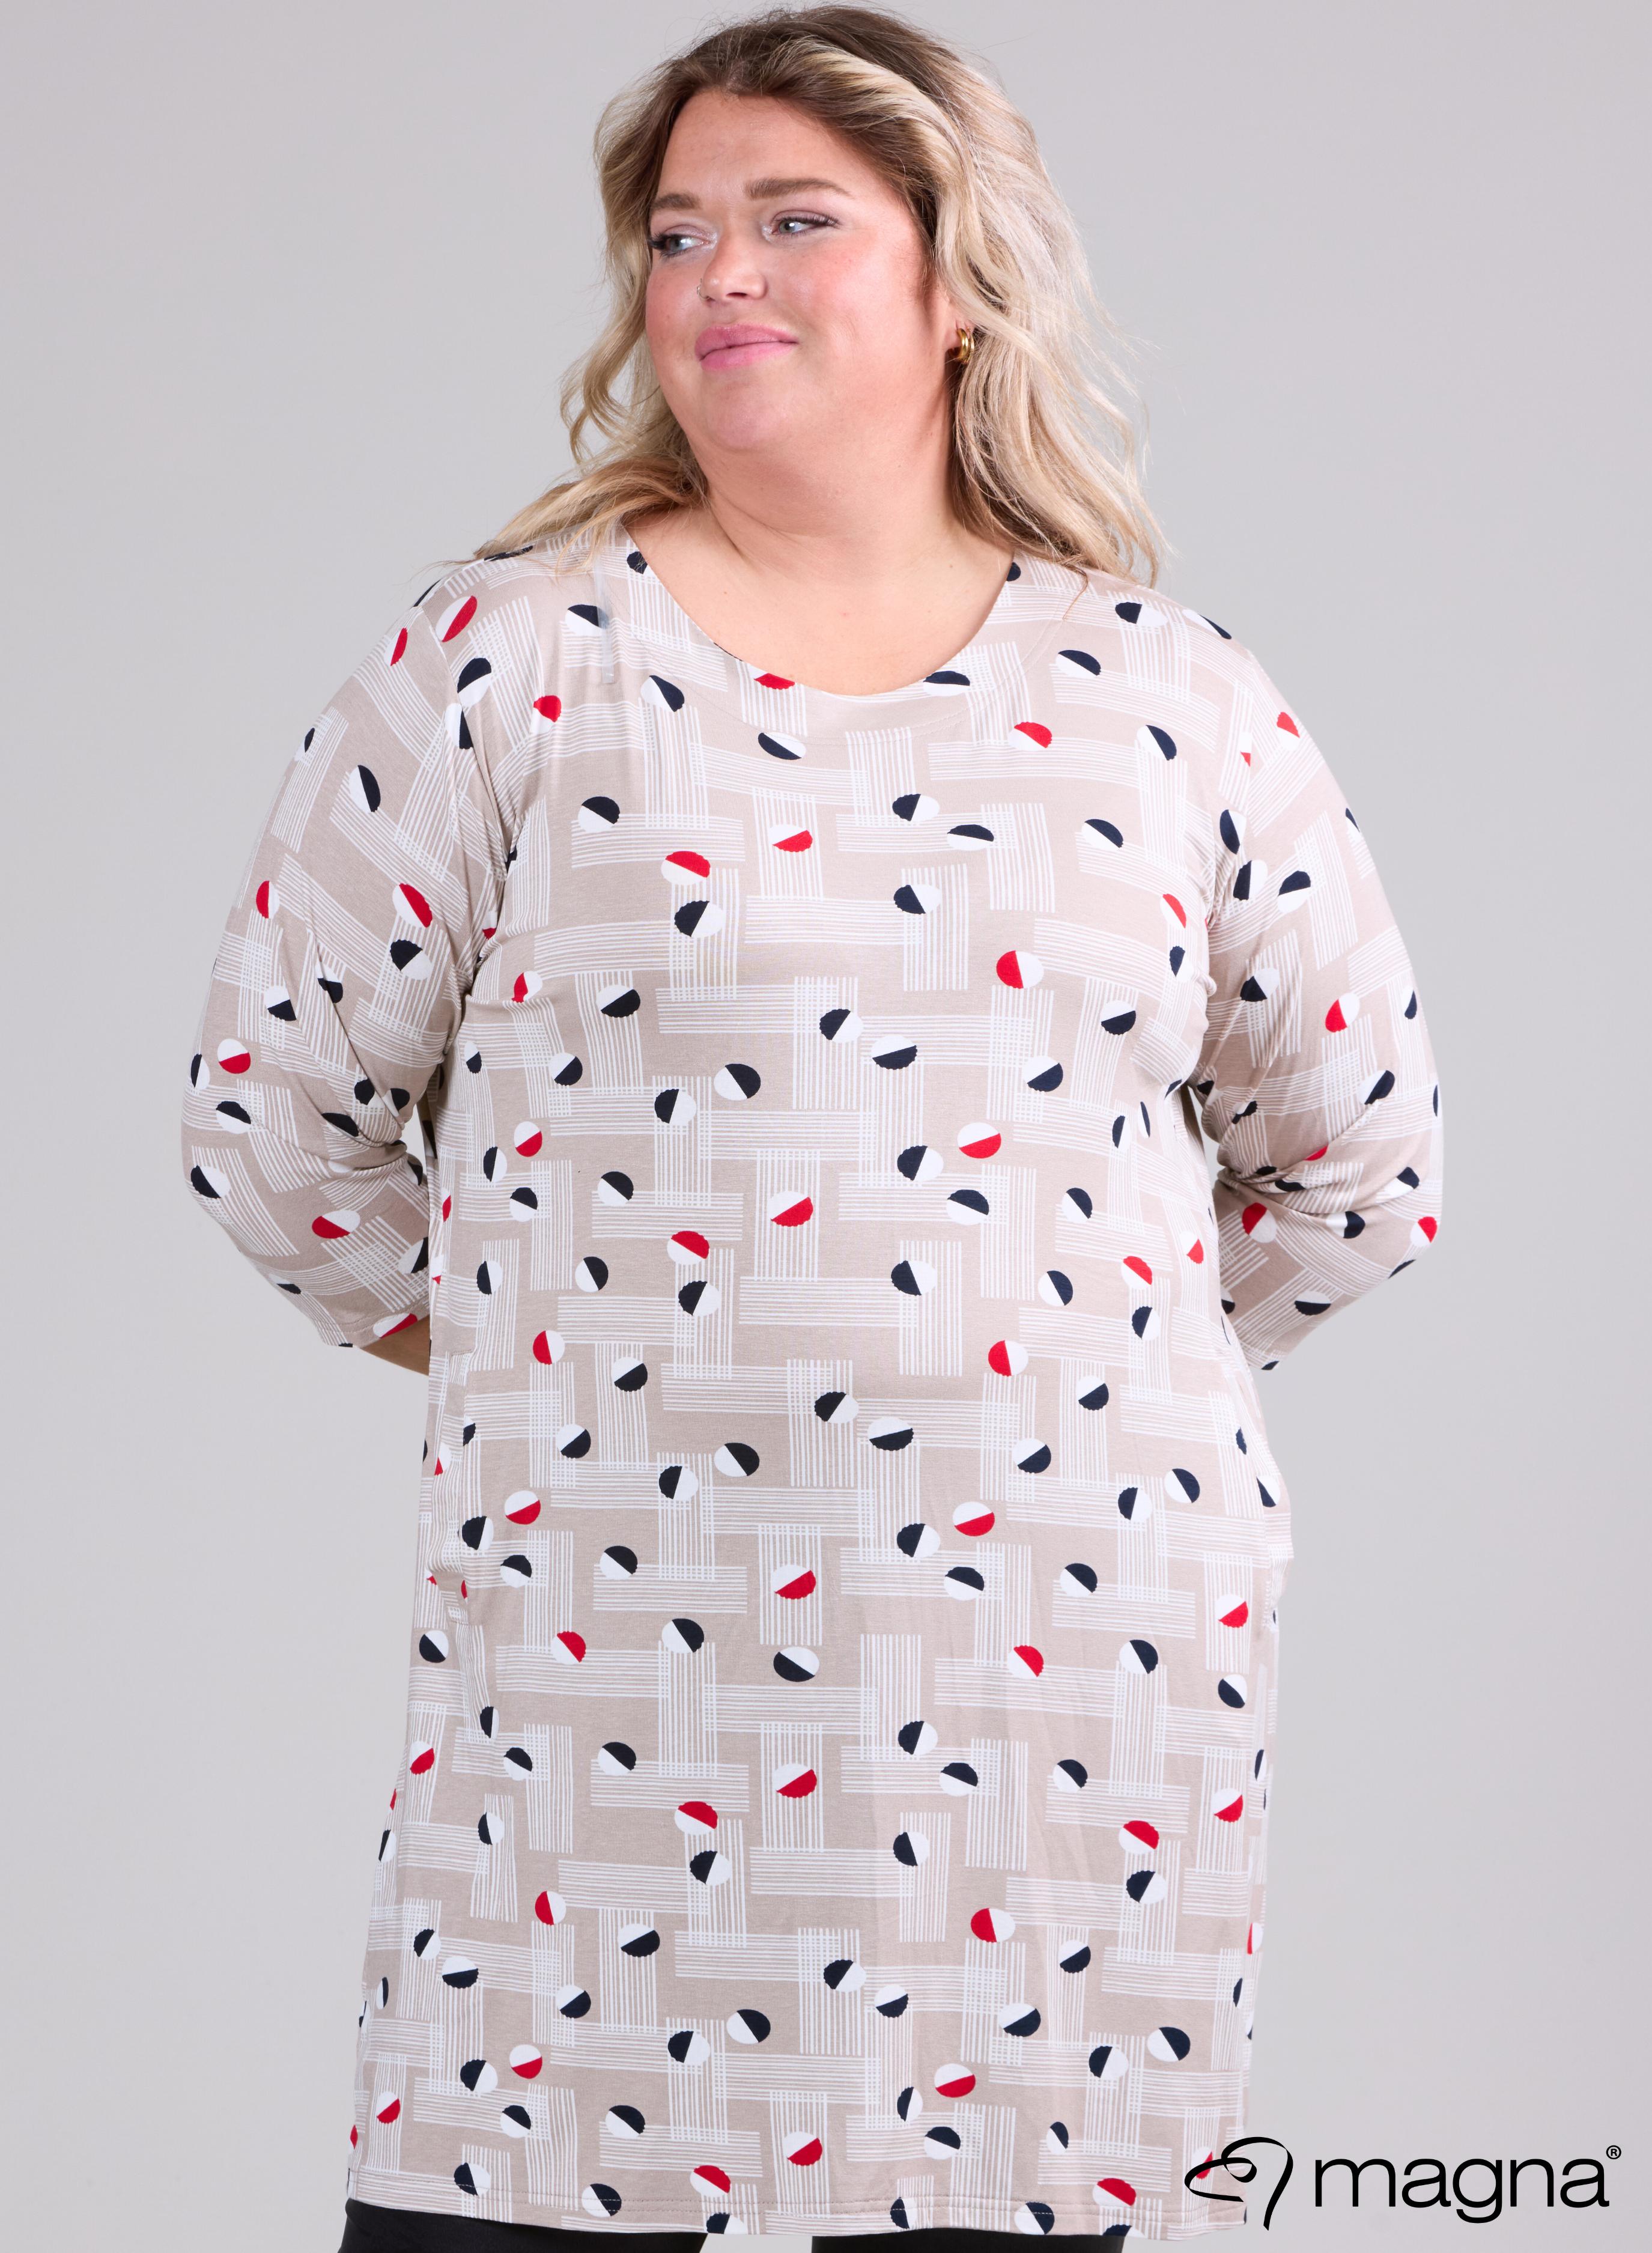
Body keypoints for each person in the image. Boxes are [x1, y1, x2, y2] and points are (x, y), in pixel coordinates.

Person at [180, 6, 1444, 2246]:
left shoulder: (1172, 702)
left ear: (960, 276)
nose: (721, 276)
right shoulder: (506, 665)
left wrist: (1055, 1371)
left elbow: (1360, 1164)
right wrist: (572, 1360)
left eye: (793, 221)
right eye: (679, 234)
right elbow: (276, 1124)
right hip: (614, 1703)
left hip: (1054, 1721)